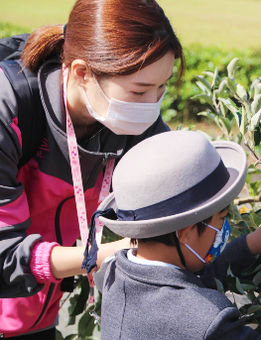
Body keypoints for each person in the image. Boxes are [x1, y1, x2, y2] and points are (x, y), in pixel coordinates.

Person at [0, 0, 183, 338]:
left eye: (162, 87)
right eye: (140, 90)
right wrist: (99, 256)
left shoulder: (130, 118)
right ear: (83, 72)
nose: (152, 106)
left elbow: (185, 195)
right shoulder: (10, 109)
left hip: (35, 316)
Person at [96, 130, 261, 339]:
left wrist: (251, 245)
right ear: (185, 234)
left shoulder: (116, 273)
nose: (224, 227)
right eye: (222, 219)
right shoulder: (203, 319)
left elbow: (184, 282)